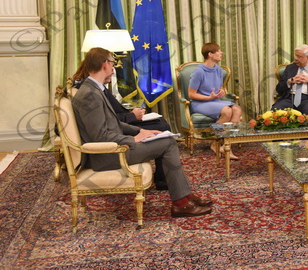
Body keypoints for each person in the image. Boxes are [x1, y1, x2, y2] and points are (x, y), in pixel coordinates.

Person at [72, 47, 212, 217]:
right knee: (168, 144)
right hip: (107, 155)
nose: (114, 68)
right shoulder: (89, 94)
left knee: (165, 139)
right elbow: (100, 136)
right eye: (113, 63)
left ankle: (185, 196)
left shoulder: (94, 89)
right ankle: (181, 204)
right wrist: (134, 139)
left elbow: (114, 123)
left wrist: (142, 130)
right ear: (105, 64)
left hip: (113, 148)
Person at [71, 61, 171, 132]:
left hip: (121, 123)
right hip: (116, 129)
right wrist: (132, 116)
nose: (113, 72)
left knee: (161, 121)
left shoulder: (95, 86)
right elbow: (105, 119)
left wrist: (133, 114)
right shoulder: (90, 92)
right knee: (162, 126)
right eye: (111, 67)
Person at [188, 42, 243, 159]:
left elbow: (220, 87)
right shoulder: (199, 71)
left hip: (214, 101)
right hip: (200, 103)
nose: (221, 53)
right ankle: (216, 143)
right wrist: (209, 97)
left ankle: (227, 146)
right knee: (227, 111)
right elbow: (191, 94)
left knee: (237, 109)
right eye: (218, 51)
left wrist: (221, 92)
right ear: (210, 54)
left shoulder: (218, 69)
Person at [271, 44, 308, 116]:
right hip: (290, 98)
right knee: (275, 109)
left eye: (299, 56)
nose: (296, 59)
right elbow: (279, 88)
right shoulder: (290, 68)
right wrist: (289, 82)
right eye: (296, 55)